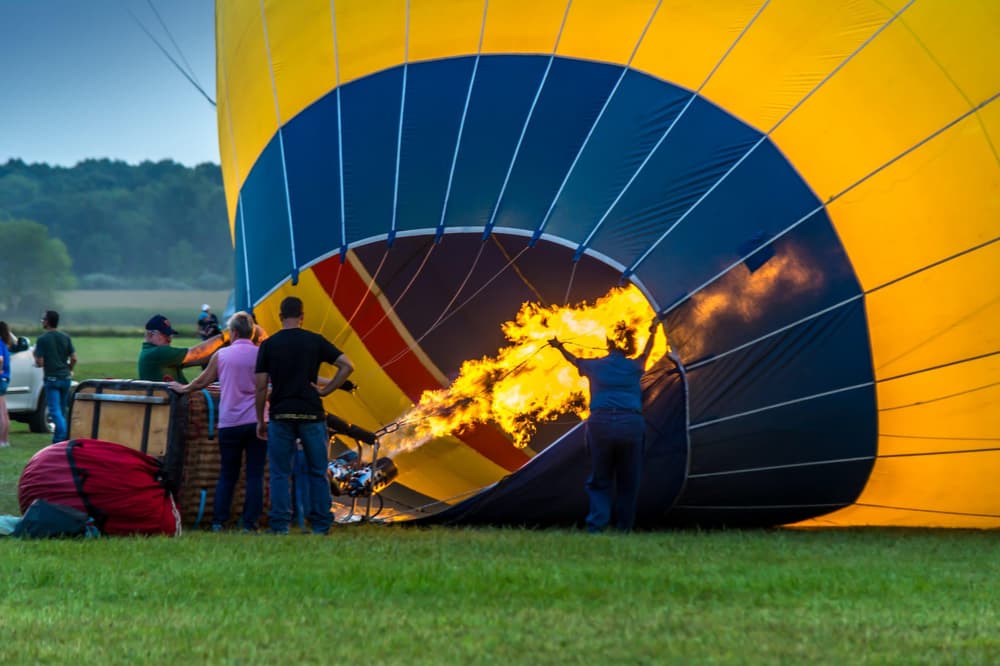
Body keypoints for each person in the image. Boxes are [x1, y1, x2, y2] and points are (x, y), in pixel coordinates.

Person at [549, 316, 659, 533]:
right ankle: (624, 528)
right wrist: (654, 331)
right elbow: (647, 352)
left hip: (601, 424)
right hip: (630, 424)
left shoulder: (595, 365)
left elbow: (574, 360)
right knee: (629, 479)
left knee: (601, 477)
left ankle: (596, 527)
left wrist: (559, 346)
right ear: (628, 345)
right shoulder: (635, 365)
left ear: (608, 343)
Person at [255, 296, 354, 535]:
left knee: (279, 473)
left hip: (281, 414)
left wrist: (260, 419)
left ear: (280, 317)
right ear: (302, 317)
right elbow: (347, 366)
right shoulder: (315, 341)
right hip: (311, 413)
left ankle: (280, 525)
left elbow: (259, 386)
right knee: (318, 471)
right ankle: (321, 524)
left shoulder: (269, 345)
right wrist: (326, 390)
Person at [169, 311, 266, 532]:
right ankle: (250, 524)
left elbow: (202, 381)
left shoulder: (222, 356)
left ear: (232, 332)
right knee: (254, 475)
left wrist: (183, 388)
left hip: (229, 422)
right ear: (251, 333)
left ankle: (218, 522)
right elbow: (265, 386)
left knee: (228, 474)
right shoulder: (261, 354)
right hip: (256, 421)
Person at [138, 313, 228, 383]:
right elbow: (196, 353)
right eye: (165, 335)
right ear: (150, 334)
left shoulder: (151, 353)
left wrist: (222, 344)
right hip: (176, 405)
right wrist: (226, 335)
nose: (169, 339)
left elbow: (202, 358)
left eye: (170, 335)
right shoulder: (157, 352)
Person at [33, 310, 77, 443]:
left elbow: (40, 362)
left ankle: (63, 435)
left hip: (52, 379)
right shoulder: (65, 337)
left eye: (43, 319)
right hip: (66, 379)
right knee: (62, 410)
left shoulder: (42, 339)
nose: (42, 321)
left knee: (54, 411)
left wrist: (35, 356)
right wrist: (69, 369)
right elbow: (74, 358)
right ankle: (59, 442)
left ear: (47, 321)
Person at [0, 321, 11, 448]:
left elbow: (0, 359)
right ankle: (5, 440)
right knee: (4, 412)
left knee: (1, 413)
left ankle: (2, 441)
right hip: (5, 379)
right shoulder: (4, 343)